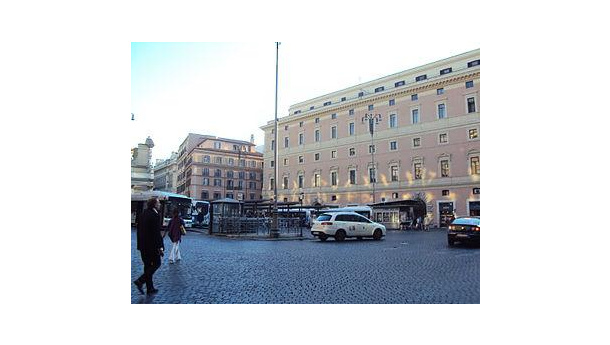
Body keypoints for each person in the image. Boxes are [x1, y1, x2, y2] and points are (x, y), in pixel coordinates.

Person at [134, 197, 164, 295]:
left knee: (147, 266)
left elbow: (139, 231)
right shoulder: (155, 215)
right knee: (157, 263)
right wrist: (160, 247)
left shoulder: (142, 214)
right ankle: (140, 280)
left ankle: (150, 288)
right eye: (158, 203)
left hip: (143, 246)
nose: (159, 204)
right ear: (154, 204)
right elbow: (156, 233)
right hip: (152, 246)